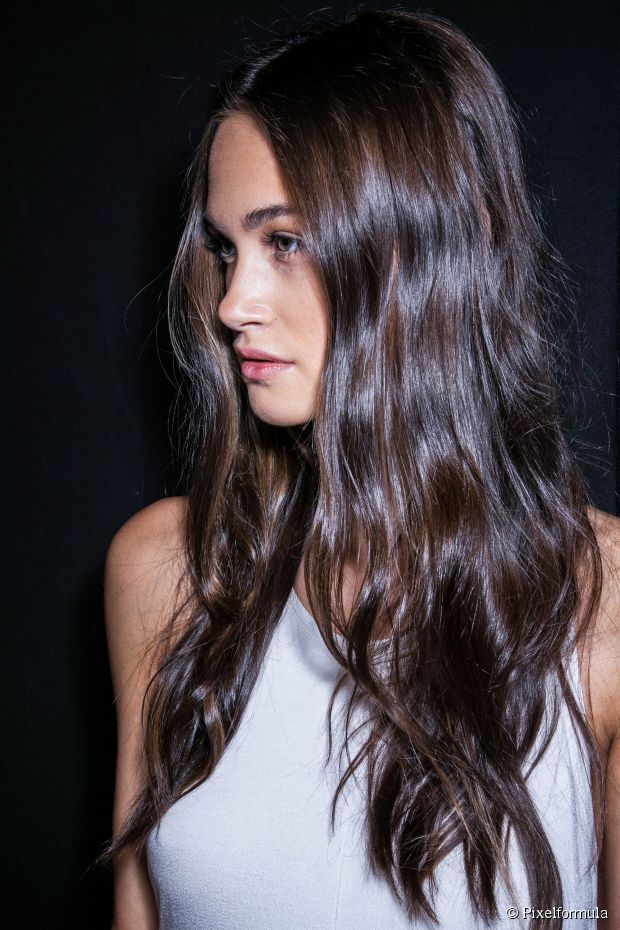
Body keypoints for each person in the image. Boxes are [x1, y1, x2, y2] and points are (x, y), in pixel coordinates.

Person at [98, 9, 620, 930]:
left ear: (436, 249)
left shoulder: (601, 603)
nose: (232, 304)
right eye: (226, 249)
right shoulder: (171, 573)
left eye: (285, 242)